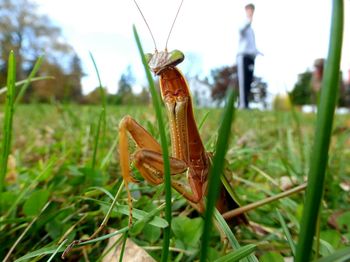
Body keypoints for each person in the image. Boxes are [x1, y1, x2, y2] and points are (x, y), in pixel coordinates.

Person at [237, 3, 260, 109]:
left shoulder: (252, 30)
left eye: (252, 10)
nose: (251, 12)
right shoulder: (244, 24)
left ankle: (246, 104)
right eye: (249, 10)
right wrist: (249, 19)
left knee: (248, 82)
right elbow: (241, 30)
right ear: (246, 10)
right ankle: (242, 105)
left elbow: (252, 46)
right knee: (243, 81)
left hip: (251, 58)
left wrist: (257, 52)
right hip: (243, 57)